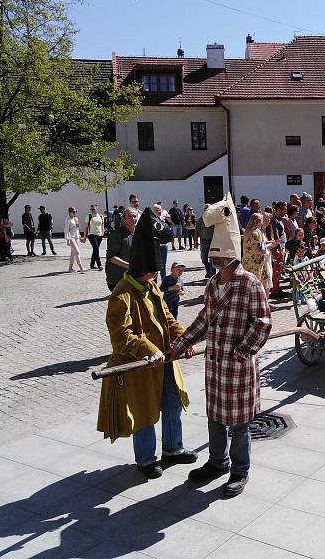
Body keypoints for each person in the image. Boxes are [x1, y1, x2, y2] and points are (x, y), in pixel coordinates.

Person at [169, 192, 272, 498]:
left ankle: (240, 471)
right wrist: (179, 344)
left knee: (239, 424)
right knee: (215, 418)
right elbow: (204, 320)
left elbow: (263, 324)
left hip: (238, 367)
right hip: (215, 367)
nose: (213, 264)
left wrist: (241, 354)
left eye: (217, 260)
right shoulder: (214, 284)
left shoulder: (249, 283)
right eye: (212, 260)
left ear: (231, 258)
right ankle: (217, 462)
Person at [97, 207, 197, 479]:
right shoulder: (121, 295)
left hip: (165, 359)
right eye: (151, 272)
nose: (155, 276)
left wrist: (183, 339)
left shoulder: (151, 287)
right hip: (141, 365)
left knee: (172, 401)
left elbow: (167, 317)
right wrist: (150, 351)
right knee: (145, 411)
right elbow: (121, 338)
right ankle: (145, 459)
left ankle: (173, 450)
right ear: (141, 270)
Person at [105, 207, 137, 291]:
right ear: (124, 219)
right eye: (130, 216)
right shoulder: (117, 234)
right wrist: (129, 266)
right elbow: (111, 257)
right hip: (118, 278)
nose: (133, 219)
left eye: (134, 216)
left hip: (133, 278)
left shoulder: (137, 234)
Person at [241, 212, 268, 287]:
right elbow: (255, 249)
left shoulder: (248, 231)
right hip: (254, 264)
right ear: (259, 221)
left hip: (247, 261)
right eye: (262, 220)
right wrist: (265, 251)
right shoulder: (255, 233)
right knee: (254, 285)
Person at [64, 207, 86, 273]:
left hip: (76, 237)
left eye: (75, 211)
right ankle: (81, 268)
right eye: (73, 212)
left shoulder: (76, 219)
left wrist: (79, 237)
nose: (74, 213)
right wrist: (68, 239)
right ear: (69, 212)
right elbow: (66, 230)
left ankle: (70, 268)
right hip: (71, 238)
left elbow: (77, 229)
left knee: (73, 254)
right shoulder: (68, 220)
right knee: (77, 252)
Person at [152, 204, 170, 281]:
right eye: (156, 210)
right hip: (155, 246)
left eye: (159, 210)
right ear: (153, 211)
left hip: (164, 245)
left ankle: (164, 282)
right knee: (155, 265)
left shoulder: (163, 221)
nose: (158, 211)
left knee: (163, 265)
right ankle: (154, 283)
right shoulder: (151, 221)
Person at [84, 204, 105, 271]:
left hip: (99, 235)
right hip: (91, 235)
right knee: (96, 249)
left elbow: (102, 226)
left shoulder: (101, 216)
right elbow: (86, 227)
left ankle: (92, 264)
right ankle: (99, 265)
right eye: (91, 209)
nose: (91, 210)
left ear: (96, 209)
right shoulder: (89, 216)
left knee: (95, 250)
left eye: (93, 209)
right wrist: (84, 237)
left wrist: (103, 233)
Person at [197, 204, 215, 278]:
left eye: (208, 209)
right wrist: (195, 242)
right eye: (205, 209)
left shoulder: (214, 219)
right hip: (204, 241)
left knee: (212, 259)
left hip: (213, 241)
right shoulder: (201, 219)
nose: (207, 211)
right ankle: (208, 271)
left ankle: (212, 275)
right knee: (204, 259)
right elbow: (197, 229)